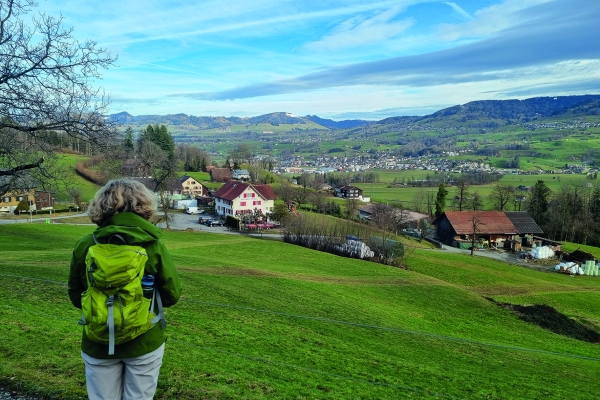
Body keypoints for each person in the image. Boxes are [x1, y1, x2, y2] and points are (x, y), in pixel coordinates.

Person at [68, 179, 182, 400]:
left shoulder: (86, 244)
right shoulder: (152, 245)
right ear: (143, 204)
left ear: (101, 205)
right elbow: (172, 294)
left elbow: (75, 296)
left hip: (98, 340)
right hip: (144, 340)